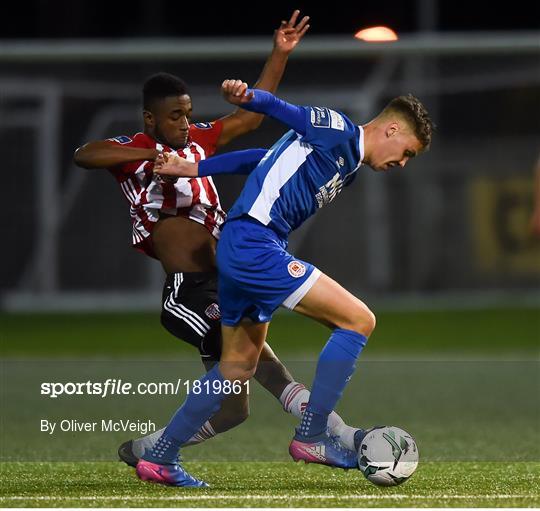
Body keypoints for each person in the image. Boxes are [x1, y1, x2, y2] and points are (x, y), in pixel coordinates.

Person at [74, 12, 361, 469]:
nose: (186, 123)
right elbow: (84, 154)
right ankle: (334, 432)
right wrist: (151, 152)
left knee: (234, 409)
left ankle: (152, 449)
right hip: (188, 290)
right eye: (174, 116)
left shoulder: (197, 143)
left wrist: (279, 55)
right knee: (253, 365)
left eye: (188, 113)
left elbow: (247, 118)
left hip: (230, 276)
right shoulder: (132, 151)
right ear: (150, 118)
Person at [141, 79, 434, 487]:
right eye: (407, 153)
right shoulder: (338, 130)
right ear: (392, 130)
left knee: (236, 367)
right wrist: (250, 98)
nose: (402, 163)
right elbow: (286, 110)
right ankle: (312, 435)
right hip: (255, 244)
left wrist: (195, 167)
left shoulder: (346, 163)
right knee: (358, 320)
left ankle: (160, 457)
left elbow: (262, 158)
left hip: (245, 246)